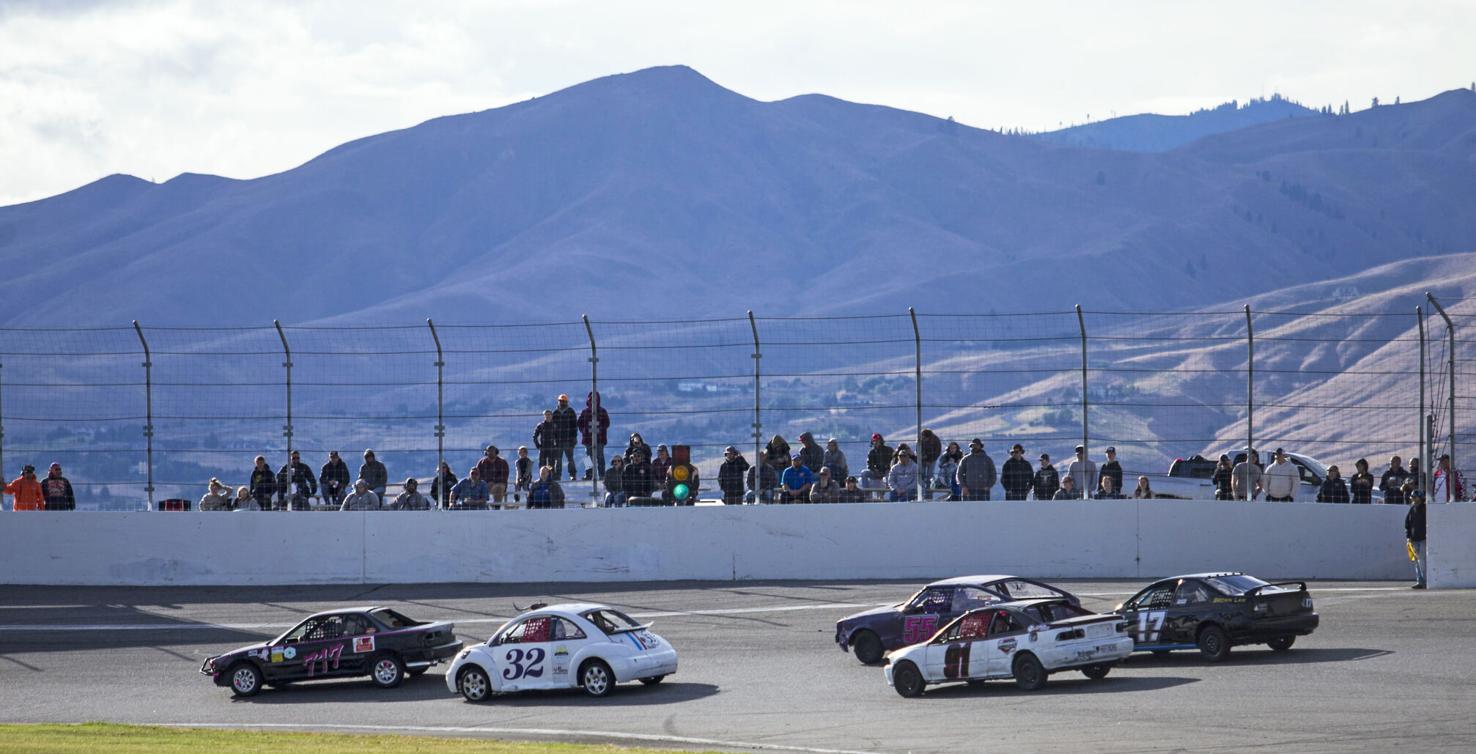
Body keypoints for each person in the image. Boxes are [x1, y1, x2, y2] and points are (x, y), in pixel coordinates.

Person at [578, 391, 610, 481]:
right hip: (588, 440)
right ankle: (588, 474)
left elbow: (607, 423)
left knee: (600, 457)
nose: (593, 401)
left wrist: (600, 429)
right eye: (592, 399)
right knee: (588, 458)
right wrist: (584, 430)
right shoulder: (585, 412)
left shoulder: (603, 411)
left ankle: (602, 475)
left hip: (600, 439)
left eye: (595, 399)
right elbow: (579, 423)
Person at [551, 394, 579, 481]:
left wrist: (574, 438)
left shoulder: (571, 412)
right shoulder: (554, 413)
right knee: (558, 460)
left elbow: (574, 426)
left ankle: (572, 475)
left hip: (568, 440)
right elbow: (552, 428)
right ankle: (557, 476)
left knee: (570, 459)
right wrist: (553, 440)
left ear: (566, 402)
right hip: (558, 440)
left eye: (563, 401)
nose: (562, 403)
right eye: (560, 401)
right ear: (558, 401)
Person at [1406, 489, 1427, 588]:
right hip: (1414, 539)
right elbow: (1407, 524)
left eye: (1415, 497)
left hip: (1423, 538)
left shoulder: (1426, 509)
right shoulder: (1412, 509)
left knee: (1422, 561)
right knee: (1417, 561)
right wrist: (1408, 537)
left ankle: (1426, 581)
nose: (1413, 499)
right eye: (1413, 498)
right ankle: (1420, 581)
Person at [534, 410, 559, 477]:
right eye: (546, 415)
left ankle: (551, 478)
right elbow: (535, 436)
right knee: (542, 465)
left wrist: (556, 446)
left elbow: (557, 437)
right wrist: (538, 446)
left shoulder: (554, 426)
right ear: (544, 416)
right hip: (543, 448)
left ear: (551, 415)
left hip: (551, 448)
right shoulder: (540, 425)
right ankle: (542, 478)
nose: (548, 416)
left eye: (549, 414)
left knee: (551, 465)